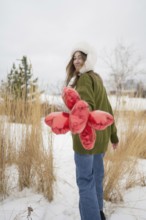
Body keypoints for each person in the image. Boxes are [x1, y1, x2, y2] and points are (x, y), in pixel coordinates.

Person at [65, 42, 119, 220]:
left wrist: (74, 120)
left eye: (80, 57)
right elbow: (108, 109)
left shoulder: (85, 79)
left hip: (86, 141)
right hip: (101, 140)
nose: (76, 61)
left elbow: (85, 107)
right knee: (95, 178)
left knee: (85, 181)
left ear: (88, 59)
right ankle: (99, 213)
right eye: (74, 58)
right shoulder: (97, 78)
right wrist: (113, 136)